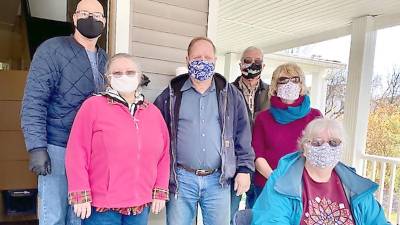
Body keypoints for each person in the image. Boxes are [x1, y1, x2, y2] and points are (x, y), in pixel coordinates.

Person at [20, 0, 107, 224]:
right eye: (85, 13)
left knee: (80, 215)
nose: (92, 19)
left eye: (97, 16)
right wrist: (37, 147)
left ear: (104, 22)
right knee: (55, 215)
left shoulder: (106, 60)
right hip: (58, 147)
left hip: (92, 152)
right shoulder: (53, 49)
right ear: (75, 18)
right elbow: (34, 101)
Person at [154, 37, 255, 225]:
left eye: (208, 57)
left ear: (215, 61)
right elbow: (156, 137)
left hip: (218, 179)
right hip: (181, 179)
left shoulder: (231, 95)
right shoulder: (171, 95)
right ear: (187, 60)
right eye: (197, 57)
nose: (203, 61)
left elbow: (243, 134)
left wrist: (244, 169)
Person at [65, 53, 170, 225]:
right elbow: (77, 151)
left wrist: (160, 190)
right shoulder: (93, 106)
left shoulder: (153, 113)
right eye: (117, 73)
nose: (124, 76)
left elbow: (164, 155)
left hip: (139, 206)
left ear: (140, 76)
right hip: (103, 208)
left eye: (130, 72)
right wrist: (79, 192)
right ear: (107, 78)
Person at [252, 118, 390, 225]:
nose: (326, 148)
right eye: (317, 143)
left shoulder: (354, 186)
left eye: (333, 143)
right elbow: (271, 220)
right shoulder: (282, 183)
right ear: (304, 148)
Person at [252, 63, 322, 196]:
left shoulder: (315, 117)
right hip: (269, 185)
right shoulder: (263, 118)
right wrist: (276, 179)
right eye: (283, 80)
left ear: (301, 84)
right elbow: (257, 156)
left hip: (304, 188)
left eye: (295, 79)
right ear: (275, 86)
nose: (289, 84)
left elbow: (320, 153)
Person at [230, 46, 269, 222]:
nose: (252, 65)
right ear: (240, 65)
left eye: (257, 62)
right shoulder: (227, 92)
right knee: (229, 212)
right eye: (247, 61)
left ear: (263, 66)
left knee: (256, 214)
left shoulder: (272, 93)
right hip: (235, 163)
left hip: (263, 164)